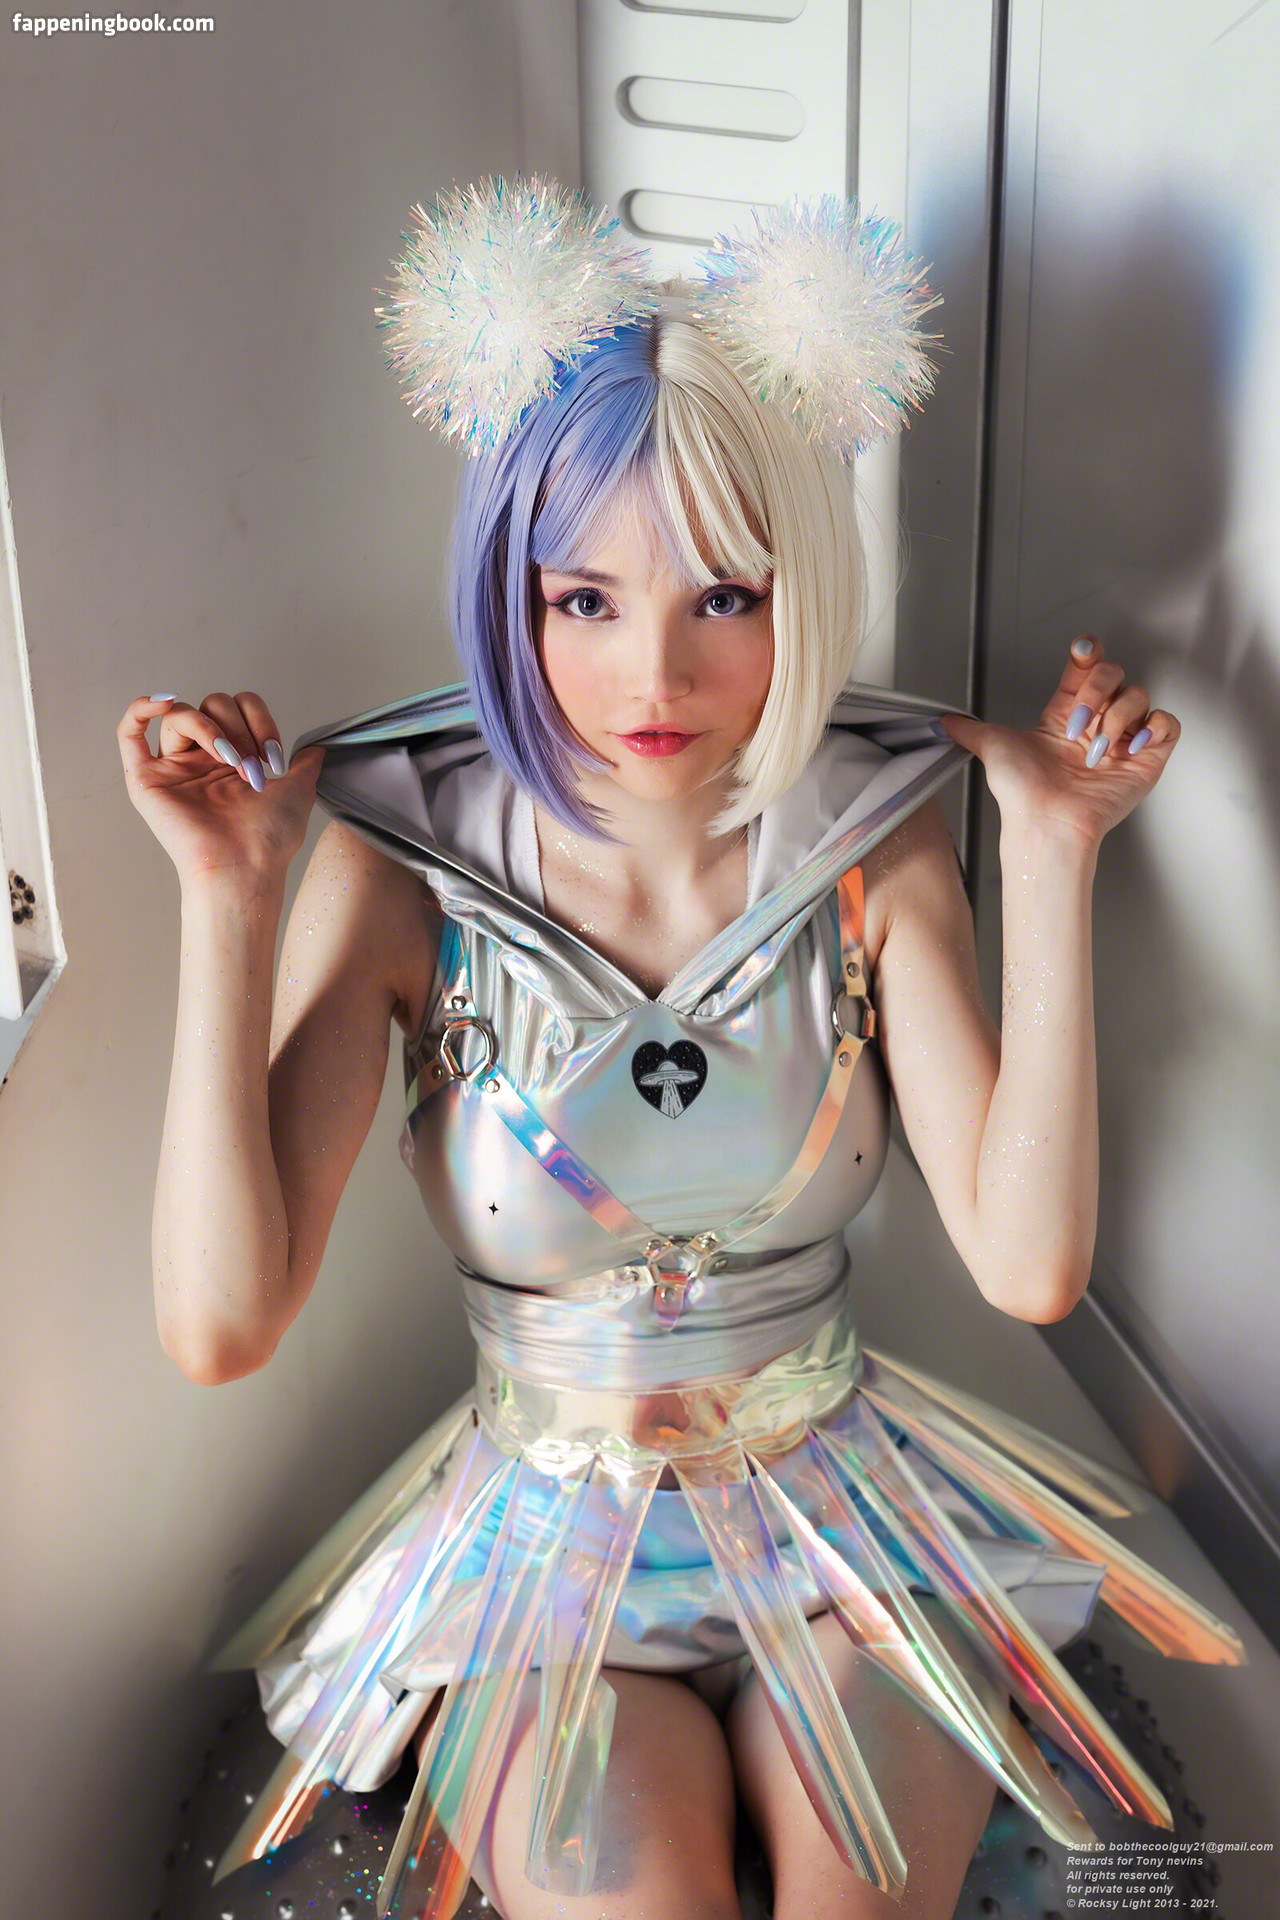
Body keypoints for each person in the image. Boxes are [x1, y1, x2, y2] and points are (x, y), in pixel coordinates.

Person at [118, 180, 1243, 1920]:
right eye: (584, 600)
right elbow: (221, 1324)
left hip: (849, 1533)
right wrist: (228, 898)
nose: (652, 672)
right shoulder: (406, 863)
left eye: (725, 596)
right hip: (538, 1555)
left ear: (807, 587)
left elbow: (1031, 1267)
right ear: (512, 591)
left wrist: (1053, 851)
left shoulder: (872, 840)